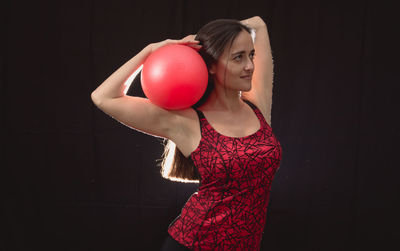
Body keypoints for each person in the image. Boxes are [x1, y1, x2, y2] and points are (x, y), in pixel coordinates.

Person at [91, 16, 282, 251]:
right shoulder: (186, 121)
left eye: (251, 55)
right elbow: (103, 97)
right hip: (194, 244)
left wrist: (207, 39)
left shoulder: (257, 106)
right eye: (238, 57)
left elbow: (259, 24)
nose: (250, 66)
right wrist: (151, 50)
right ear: (211, 65)